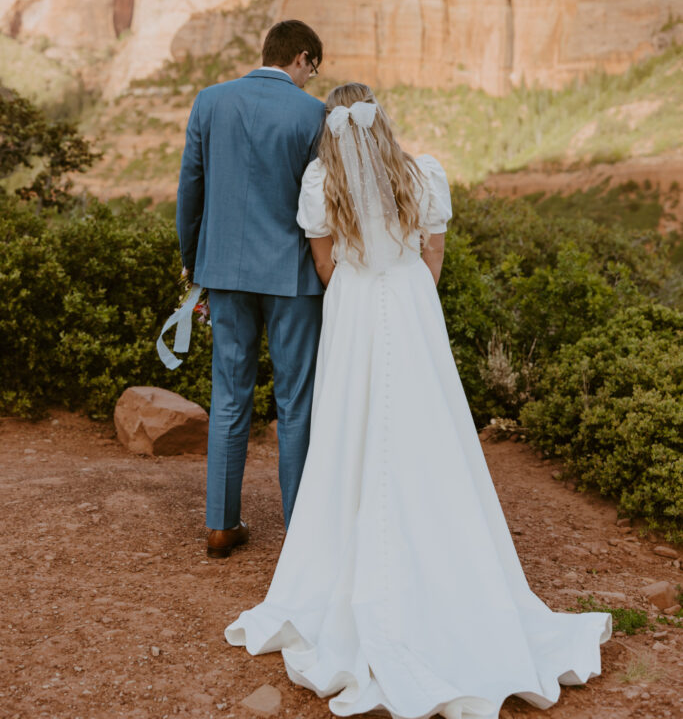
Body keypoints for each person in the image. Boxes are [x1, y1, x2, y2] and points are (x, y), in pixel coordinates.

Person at [225, 82, 612, 719]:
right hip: (412, 307)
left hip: (351, 310)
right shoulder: (420, 173)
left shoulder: (323, 182)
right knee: (427, 430)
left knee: (352, 432)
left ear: (331, 128)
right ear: (382, 121)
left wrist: (362, 279)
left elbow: (324, 270)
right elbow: (433, 258)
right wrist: (407, 290)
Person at [176, 20, 325, 558]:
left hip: (226, 274)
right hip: (293, 280)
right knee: (295, 405)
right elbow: (321, 206)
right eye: (314, 68)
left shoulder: (210, 102)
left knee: (230, 398)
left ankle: (220, 524)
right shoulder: (313, 114)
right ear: (302, 58)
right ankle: (300, 533)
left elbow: (190, 190)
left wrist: (196, 267)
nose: (312, 79)